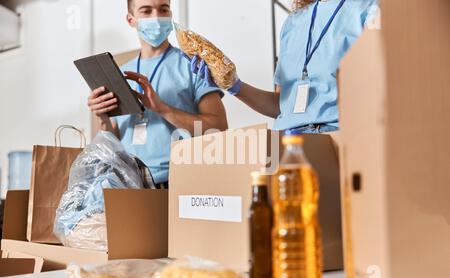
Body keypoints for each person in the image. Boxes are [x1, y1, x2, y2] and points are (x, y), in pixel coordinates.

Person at [87, 0, 228, 188]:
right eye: (146, 11)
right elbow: (114, 138)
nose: (156, 16)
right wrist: (103, 119)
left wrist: (162, 109)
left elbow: (219, 129)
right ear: (131, 20)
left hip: (180, 181)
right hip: (128, 182)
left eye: (163, 9)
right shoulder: (120, 73)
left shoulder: (194, 66)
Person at [188, 0, 379, 133]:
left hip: (335, 136)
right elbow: (280, 106)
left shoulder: (370, 10)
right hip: (287, 143)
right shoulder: (293, 22)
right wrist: (232, 85)